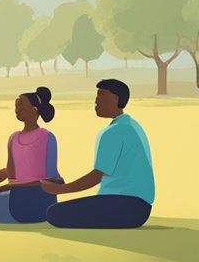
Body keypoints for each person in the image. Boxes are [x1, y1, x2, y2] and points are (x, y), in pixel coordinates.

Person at [42, 79, 154, 229]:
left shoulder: (113, 132)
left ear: (116, 98)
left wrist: (59, 190)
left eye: (101, 95)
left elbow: (97, 176)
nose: (96, 101)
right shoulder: (130, 124)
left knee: (54, 213)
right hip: (139, 207)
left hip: (127, 206)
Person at [0, 88, 62, 224]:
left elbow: (48, 180)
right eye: (16, 105)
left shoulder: (46, 137)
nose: (17, 109)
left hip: (39, 201)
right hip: (17, 196)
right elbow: (11, 174)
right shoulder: (14, 138)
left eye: (22, 105)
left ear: (34, 111)